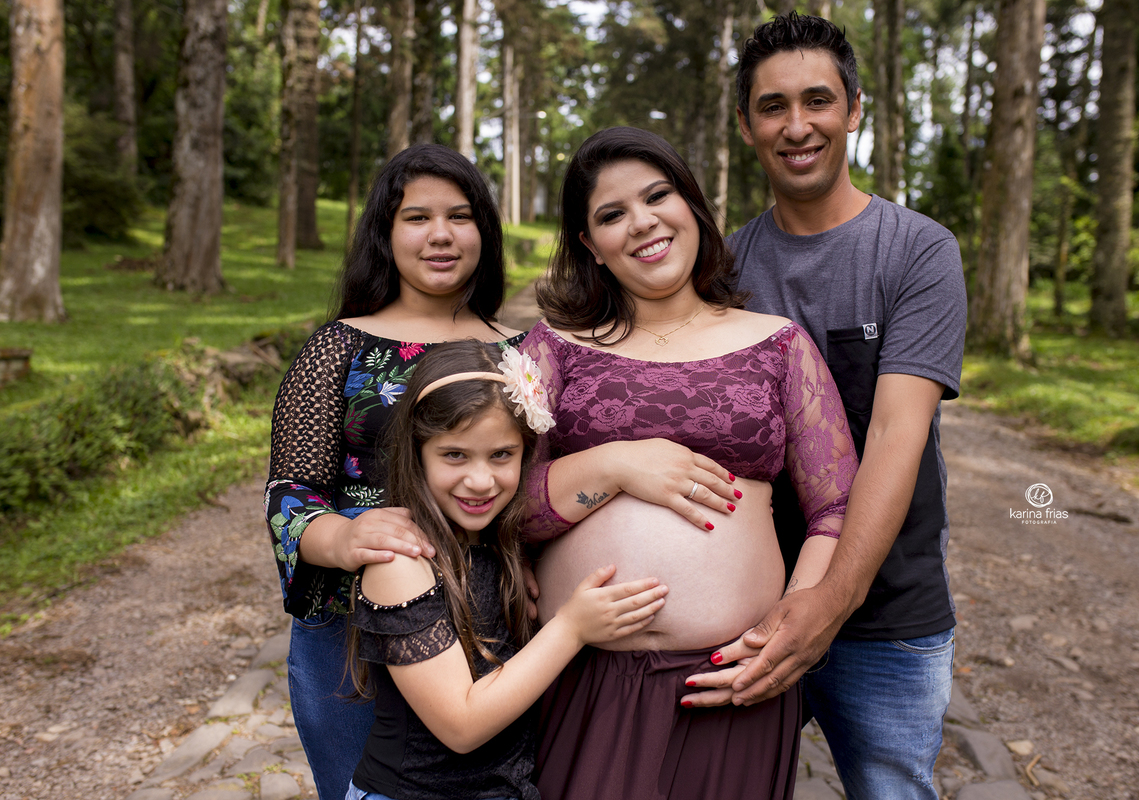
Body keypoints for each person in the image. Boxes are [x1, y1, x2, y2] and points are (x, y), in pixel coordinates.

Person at [518, 126, 859, 800]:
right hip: (577, 676)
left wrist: (791, 623)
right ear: (591, 245)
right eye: (611, 214)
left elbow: (836, 507)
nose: (641, 223)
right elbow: (498, 501)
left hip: (731, 684)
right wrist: (613, 465)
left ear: (691, 205)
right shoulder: (550, 347)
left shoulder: (778, 344)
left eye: (657, 196)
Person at [685, 13, 969, 800]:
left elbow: (892, 438)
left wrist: (826, 607)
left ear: (854, 110)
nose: (797, 125)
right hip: (738, 607)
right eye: (773, 106)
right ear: (746, 125)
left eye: (818, 101)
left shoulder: (917, 251)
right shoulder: (722, 268)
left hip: (886, 619)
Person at [264, 143, 526, 799]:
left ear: (484, 233)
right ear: (385, 231)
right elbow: (288, 499)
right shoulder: (338, 348)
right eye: (417, 217)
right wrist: (345, 539)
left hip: (491, 623)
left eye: (460, 215)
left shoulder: (520, 354)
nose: (440, 234)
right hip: (352, 641)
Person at [343, 340, 669, 800]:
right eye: (455, 455)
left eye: (501, 455)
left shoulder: (497, 543)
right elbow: (462, 725)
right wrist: (571, 628)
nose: (480, 481)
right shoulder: (402, 563)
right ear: (417, 453)